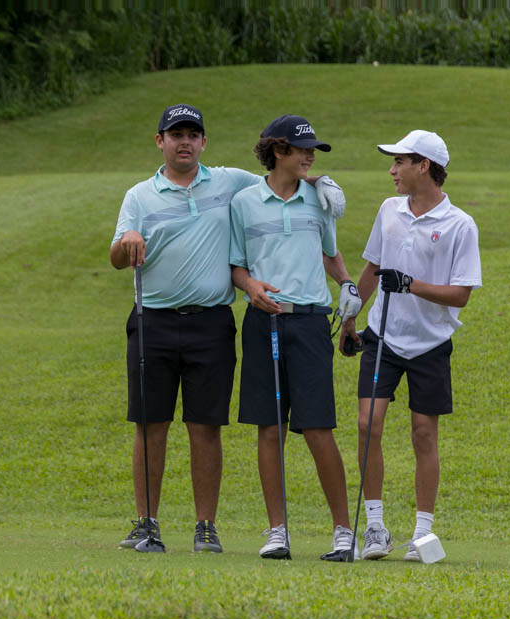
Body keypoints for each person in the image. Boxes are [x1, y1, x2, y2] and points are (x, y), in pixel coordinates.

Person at [110, 104, 346, 554]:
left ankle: (206, 526)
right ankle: (146, 524)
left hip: (212, 321)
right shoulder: (139, 196)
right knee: (150, 424)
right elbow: (117, 258)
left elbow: (280, 180)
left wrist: (321, 182)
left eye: (192, 135)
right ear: (160, 141)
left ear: (203, 142)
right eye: (175, 134)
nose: (184, 142)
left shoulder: (229, 183)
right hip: (153, 320)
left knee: (205, 426)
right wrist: (128, 242)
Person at [339, 130, 482, 562]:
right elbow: (373, 268)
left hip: (430, 343)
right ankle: (376, 527)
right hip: (383, 336)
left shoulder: (460, 224)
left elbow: (461, 295)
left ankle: (422, 533)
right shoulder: (389, 210)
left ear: (424, 166)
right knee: (367, 425)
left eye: (400, 162)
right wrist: (351, 317)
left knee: (423, 434)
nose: (392, 170)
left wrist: (411, 285)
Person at [229, 114, 363, 562]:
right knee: (270, 429)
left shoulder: (319, 199)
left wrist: (347, 285)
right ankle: (277, 532)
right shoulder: (244, 203)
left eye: (313, 151)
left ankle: (343, 532)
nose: (310, 157)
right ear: (278, 150)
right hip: (263, 322)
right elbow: (236, 265)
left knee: (319, 429)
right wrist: (250, 286)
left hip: (310, 324)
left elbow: (330, 253)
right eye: (303, 149)